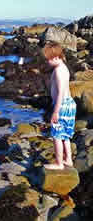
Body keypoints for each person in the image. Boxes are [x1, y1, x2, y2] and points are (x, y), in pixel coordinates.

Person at [42, 41, 77, 170]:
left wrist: (56, 111)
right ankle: (68, 159)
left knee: (57, 135)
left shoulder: (58, 71)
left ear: (56, 57)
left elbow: (61, 92)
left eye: (48, 60)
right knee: (65, 135)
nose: (47, 62)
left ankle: (59, 163)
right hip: (69, 104)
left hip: (62, 105)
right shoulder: (64, 68)